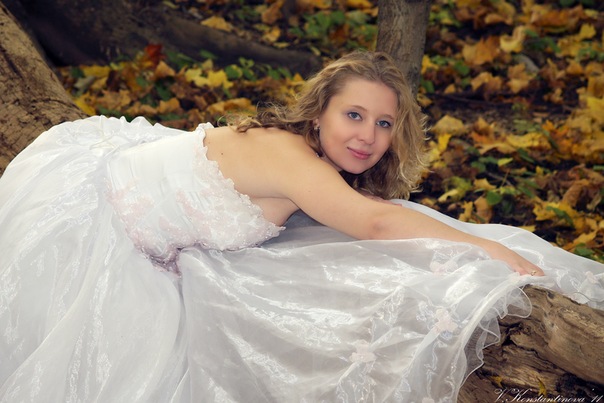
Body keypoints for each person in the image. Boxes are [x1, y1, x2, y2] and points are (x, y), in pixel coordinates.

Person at [0, 50, 602, 402]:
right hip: (95, 216)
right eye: (354, 115)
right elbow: (373, 223)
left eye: (384, 124)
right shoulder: (292, 160)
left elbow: (376, 215)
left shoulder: (315, 162)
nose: (368, 136)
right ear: (318, 114)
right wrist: (486, 249)